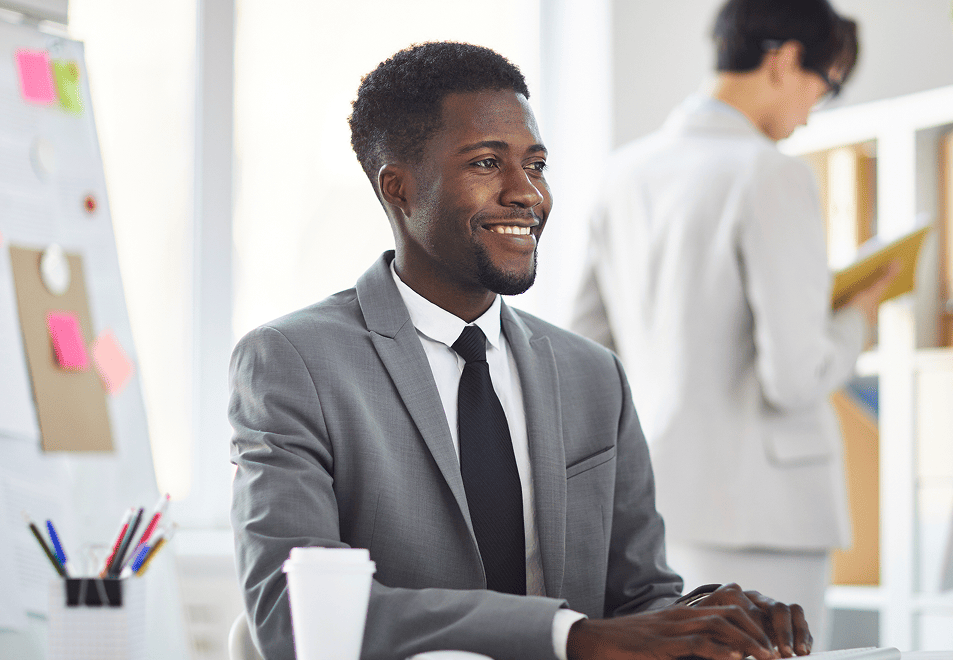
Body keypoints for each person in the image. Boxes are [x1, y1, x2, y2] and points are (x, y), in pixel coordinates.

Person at [230, 41, 813, 660]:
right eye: (487, 164)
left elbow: (638, 598)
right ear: (398, 188)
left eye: (536, 164)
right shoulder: (292, 364)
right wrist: (568, 636)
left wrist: (704, 621)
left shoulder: (593, 375)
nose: (527, 193)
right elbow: (295, 618)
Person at [570, 0, 896, 644]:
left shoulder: (623, 174)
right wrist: (857, 319)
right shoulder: (771, 175)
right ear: (783, 62)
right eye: (823, 87)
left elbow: (586, 355)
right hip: (766, 512)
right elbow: (795, 378)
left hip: (655, 503)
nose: (810, 113)